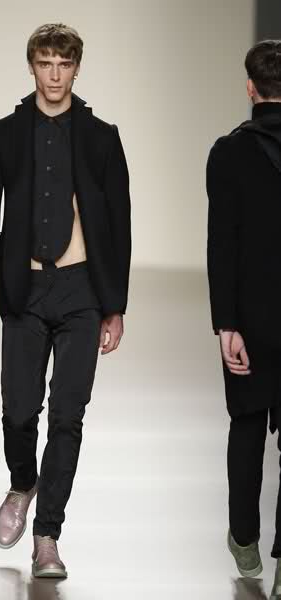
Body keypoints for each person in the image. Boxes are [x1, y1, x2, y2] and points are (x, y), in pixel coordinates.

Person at [0, 23, 131, 578]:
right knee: (18, 411)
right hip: (24, 288)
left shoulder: (103, 136)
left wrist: (115, 304)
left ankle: (47, 537)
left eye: (64, 64)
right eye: (45, 63)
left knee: (68, 416)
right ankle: (22, 482)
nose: (55, 74)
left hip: (83, 290)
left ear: (77, 68)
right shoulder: (4, 134)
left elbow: (120, 224)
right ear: (32, 66)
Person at [206, 39, 281, 598]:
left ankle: (245, 537)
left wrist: (226, 324)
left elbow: (222, 245)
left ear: (250, 87)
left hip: (252, 317)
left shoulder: (229, 153)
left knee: (247, 426)